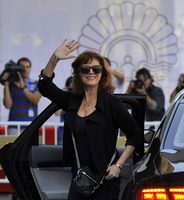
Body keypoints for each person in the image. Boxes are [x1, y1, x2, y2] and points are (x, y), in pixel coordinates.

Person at [38, 39, 143, 200]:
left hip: (106, 179)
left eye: (96, 69)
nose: (91, 72)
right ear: (78, 74)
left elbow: (135, 134)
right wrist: (55, 58)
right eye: (85, 69)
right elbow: (45, 86)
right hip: (80, 179)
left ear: (102, 74)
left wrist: (118, 165)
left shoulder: (111, 104)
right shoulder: (71, 101)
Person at [2, 57, 41, 135]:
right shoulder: (11, 85)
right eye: (22, 67)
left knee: (31, 147)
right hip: (14, 125)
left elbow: (35, 100)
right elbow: (8, 105)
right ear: (17, 68)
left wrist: (23, 87)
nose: (25, 70)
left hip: (31, 125)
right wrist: (6, 83)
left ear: (30, 68)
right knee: (14, 147)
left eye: (27, 67)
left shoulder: (36, 83)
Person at [55, 76, 73, 145]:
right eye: (70, 89)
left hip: (76, 128)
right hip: (63, 129)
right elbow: (57, 113)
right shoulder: (65, 98)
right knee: (61, 149)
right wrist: (63, 95)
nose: (72, 92)